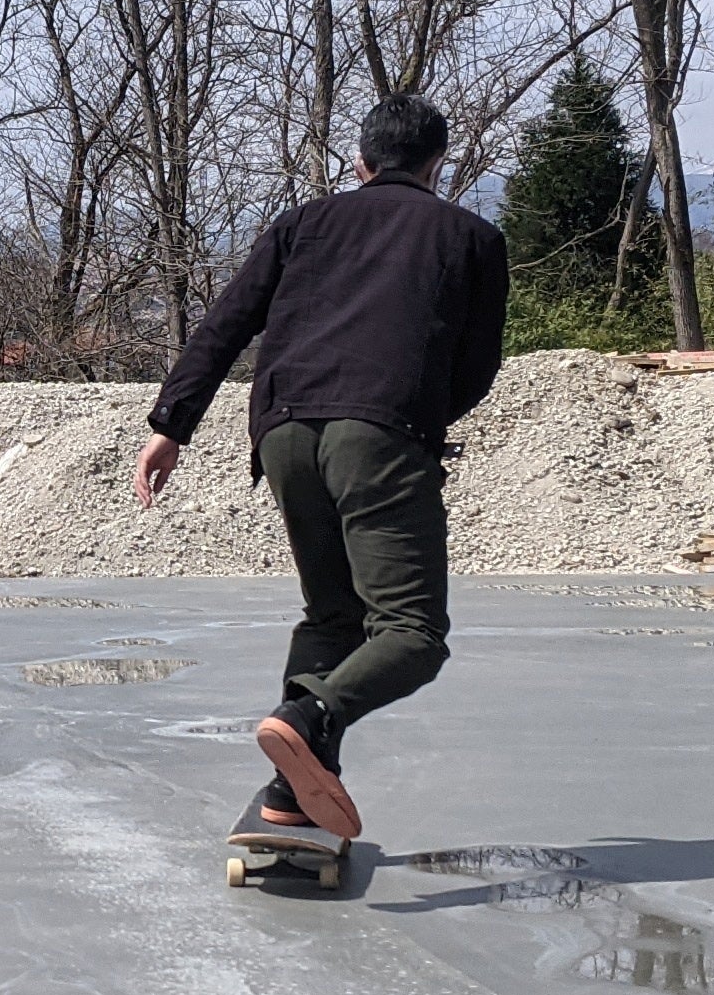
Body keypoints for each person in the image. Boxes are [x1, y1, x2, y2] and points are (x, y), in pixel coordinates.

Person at [133, 93, 509, 840]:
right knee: (412, 632)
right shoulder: (471, 236)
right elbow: (477, 366)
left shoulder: (301, 223)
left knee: (332, 615)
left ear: (360, 162)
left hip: (282, 433)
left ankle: (290, 790)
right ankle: (309, 718)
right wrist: (415, 419)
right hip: (380, 432)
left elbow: (224, 325)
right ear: (437, 164)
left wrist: (171, 425)